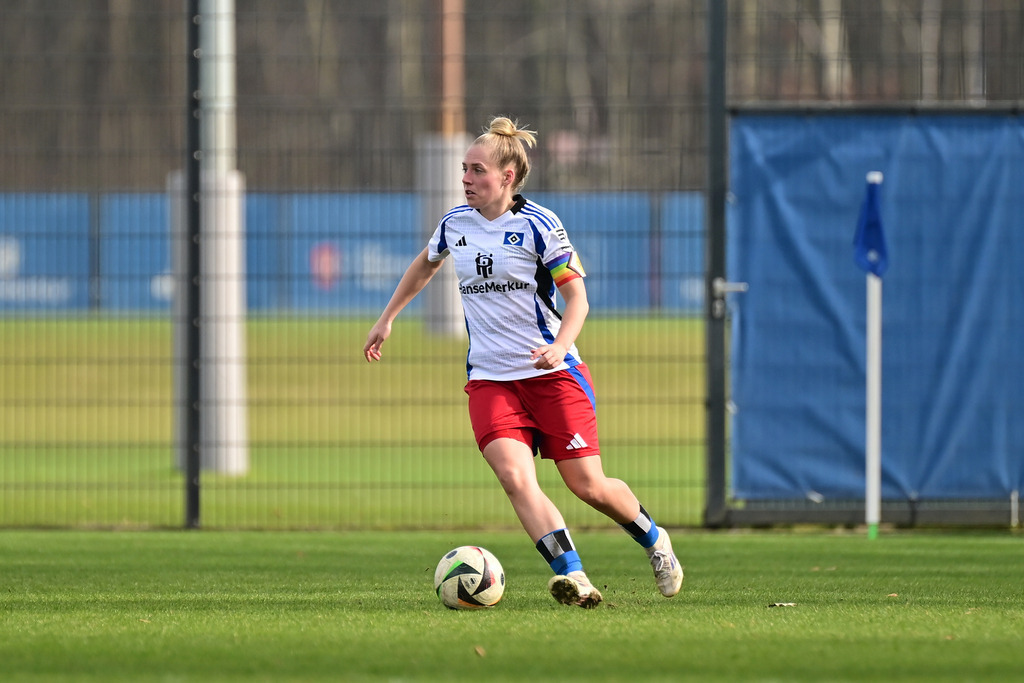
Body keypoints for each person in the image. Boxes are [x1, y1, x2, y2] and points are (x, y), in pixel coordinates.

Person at [363, 116, 683, 608]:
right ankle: (574, 577)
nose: (466, 179)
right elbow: (425, 264)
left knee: (589, 485)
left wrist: (560, 345)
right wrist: (388, 317)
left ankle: (655, 540)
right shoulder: (455, 224)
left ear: (507, 177)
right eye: (464, 169)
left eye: (477, 170)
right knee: (515, 478)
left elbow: (577, 298)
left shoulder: (539, 225)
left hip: (552, 375)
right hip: (491, 380)